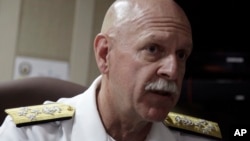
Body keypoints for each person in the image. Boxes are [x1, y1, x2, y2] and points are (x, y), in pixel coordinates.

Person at [0, 0, 222, 140]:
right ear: (105, 54)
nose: (173, 71)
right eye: (153, 49)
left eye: (181, 54)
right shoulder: (29, 134)